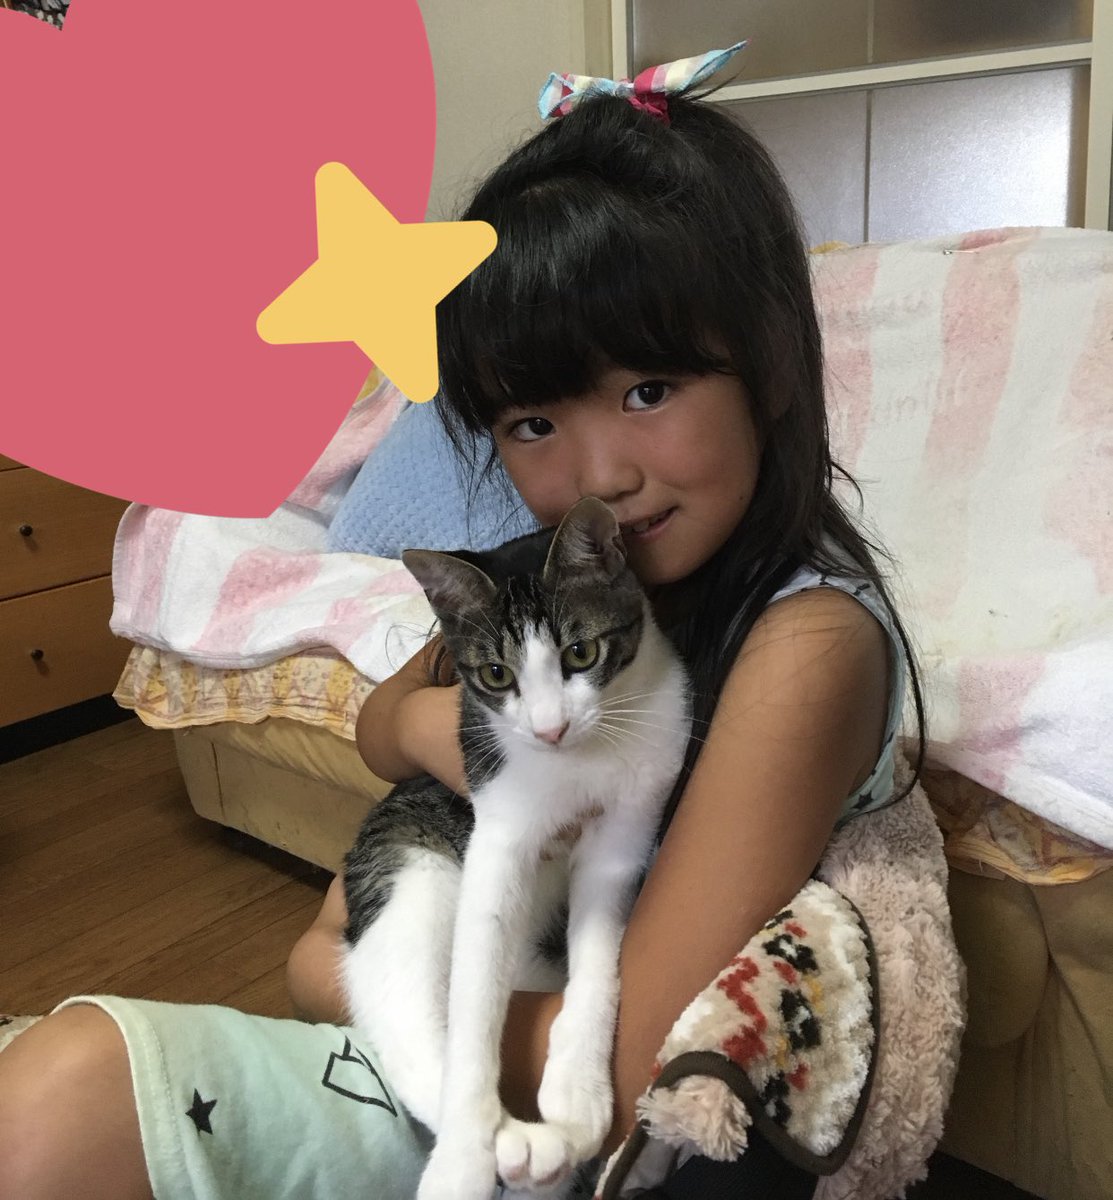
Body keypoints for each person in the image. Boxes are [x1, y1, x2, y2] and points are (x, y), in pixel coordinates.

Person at [0, 45, 927, 1200]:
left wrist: (340, 981)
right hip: (465, 1029)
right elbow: (388, 721)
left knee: (65, 1096)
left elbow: (633, 1059)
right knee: (55, 1092)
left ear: (775, 364)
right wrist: (431, 735)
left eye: (649, 391)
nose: (600, 475)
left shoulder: (807, 647)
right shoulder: (566, 585)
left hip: (552, 1112)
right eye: (533, 423)